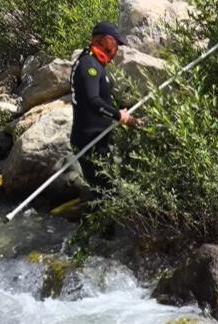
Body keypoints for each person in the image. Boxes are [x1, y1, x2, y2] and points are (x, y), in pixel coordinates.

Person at [70, 21, 140, 200]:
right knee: (105, 195)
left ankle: (96, 221)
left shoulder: (92, 62)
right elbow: (93, 101)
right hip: (90, 142)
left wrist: (117, 111)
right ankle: (95, 225)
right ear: (101, 41)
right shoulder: (89, 65)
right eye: (113, 44)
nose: (115, 49)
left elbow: (96, 102)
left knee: (104, 192)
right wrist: (120, 116)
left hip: (95, 140)